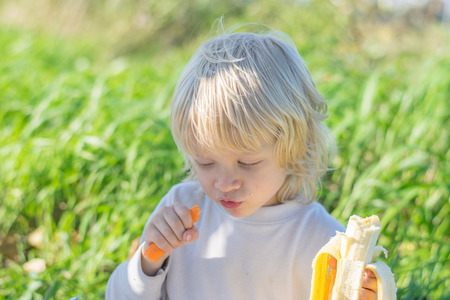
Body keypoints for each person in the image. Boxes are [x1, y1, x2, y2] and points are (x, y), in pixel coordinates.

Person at [106, 23, 378, 299]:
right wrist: (147, 263)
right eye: (205, 162)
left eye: (247, 163)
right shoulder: (180, 211)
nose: (224, 184)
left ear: (294, 147)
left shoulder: (323, 239)